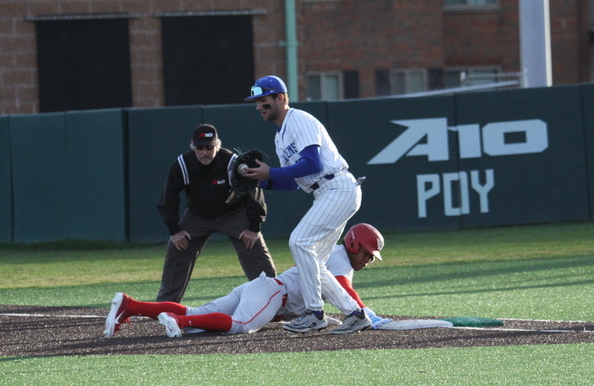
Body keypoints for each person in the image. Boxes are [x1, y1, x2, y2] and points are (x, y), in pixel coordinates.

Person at [104, 223, 389, 338]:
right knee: (240, 326)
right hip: (274, 294)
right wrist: (365, 314)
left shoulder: (335, 254)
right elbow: (344, 289)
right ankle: (179, 322)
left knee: (197, 311)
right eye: (367, 253)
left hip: (264, 290)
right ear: (353, 244)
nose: (368, 259)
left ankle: (130, 305)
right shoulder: (340, 258)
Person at [241, 75, 366, 334]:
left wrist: (270, 172)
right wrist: (258, 181)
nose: (258, 106)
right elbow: (293, 182)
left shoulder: (299, 119)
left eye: (263, 100)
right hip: (327, 192)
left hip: (337, 187)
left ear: (281, 98)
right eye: (256, 102)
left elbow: (312, 164)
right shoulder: (280, 137)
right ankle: (355, 314)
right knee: (314, 262)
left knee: (299, 242)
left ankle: (314, 313)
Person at [156, 123, 276, 303]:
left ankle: (276, 301)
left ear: (217, 146)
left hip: (233, 213)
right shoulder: (183, 163)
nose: (204, 152)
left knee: (255, 249)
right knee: (177, 250)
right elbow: (169, 197)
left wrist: (254, 227)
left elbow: (253, 192)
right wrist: (174, 230)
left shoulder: (232, 162)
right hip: (197, 215)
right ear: (192, 146)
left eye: (209, 147)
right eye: (200, 148)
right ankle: (165, 306)